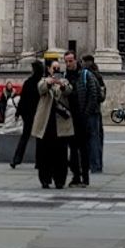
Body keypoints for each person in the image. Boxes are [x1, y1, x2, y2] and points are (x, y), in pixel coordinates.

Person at [31, 57, 74, 189]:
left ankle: (60, 179)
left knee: (60, 153)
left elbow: (69, 90)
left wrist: (61, 85)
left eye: (58, 68)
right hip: (46, 122)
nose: (56, 70)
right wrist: (49, 83)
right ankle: (45, 179)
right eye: (54, 68)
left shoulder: (64, 81)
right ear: (49, 69)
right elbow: (41, 89)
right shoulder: (44, 81)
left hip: (60, 123)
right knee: (44, 152)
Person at [63, 50, 100, 187]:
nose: (68, 64)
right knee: (73, 149)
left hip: (82, 117)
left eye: (70, 61)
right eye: (66, 61)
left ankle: (85, 177)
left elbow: (93, 95)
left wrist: (86, 114)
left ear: (76, 60)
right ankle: (76, 177)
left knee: (84, 149)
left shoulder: (85, 75)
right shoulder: (65, 76)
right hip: (70, 117)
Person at [10, 59, 43, 168]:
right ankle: (39, 162)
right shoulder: (42, 83)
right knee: (39, 138)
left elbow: (23, 99)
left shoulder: (28, 82)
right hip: (38, 113)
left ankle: (16, 159)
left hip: (28, 114)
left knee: (25, 137)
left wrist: (18, 112)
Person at [81, 55, 106, 173]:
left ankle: (94, 164)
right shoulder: (98, 75)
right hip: (97, 111)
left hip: (91, 111)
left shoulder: (87, 75)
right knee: (97, 138)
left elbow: (93, 95)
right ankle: (97, 163)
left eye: (82, 61)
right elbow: (102, 95)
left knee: (91, 138)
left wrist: (86, 111)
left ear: (86, 62)